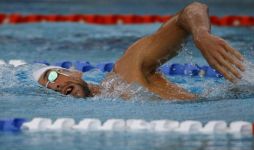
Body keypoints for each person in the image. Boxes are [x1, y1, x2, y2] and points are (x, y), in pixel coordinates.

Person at [33, 2, 245, 100]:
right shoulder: (106, 106)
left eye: (52, 76)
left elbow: (193, 10)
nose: (55, 86)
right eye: (49, 88)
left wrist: (201, 35)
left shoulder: (126, 71)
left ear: (74, 72)